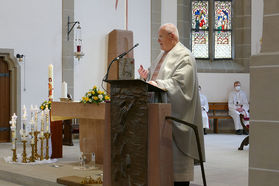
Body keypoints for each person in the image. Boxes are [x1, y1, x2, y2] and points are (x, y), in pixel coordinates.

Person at [138, 23, 205, 186]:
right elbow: (155, 82)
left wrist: (156, 83)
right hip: (158, 117)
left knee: (176, 174)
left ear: (172, 37)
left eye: (160, 37)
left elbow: (181, 85)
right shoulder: (162, 56)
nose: (158, 41)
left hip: (175, 118)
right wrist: (146, 78)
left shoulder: (185, 56)